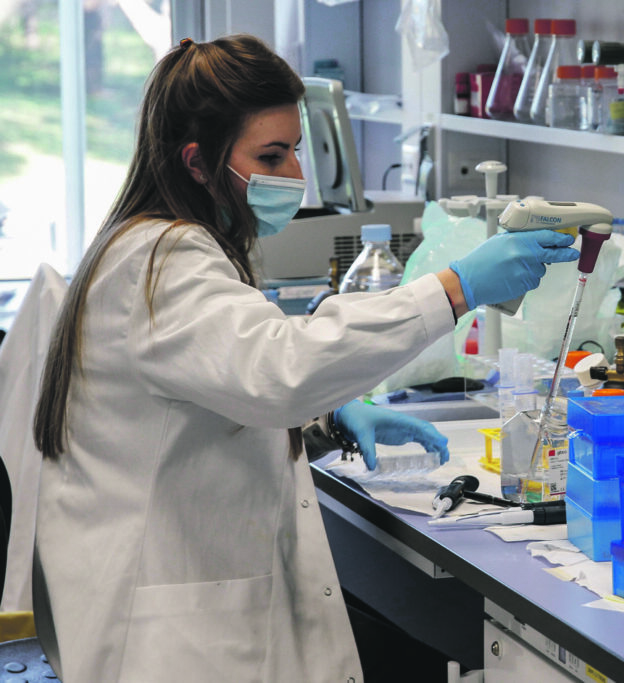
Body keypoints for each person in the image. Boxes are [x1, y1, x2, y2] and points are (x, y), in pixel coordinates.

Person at [31, 35, 579, 682]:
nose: (293, 174)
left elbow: (212, 391)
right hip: (169, 637)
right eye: (270, 154)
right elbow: (280, 370)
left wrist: (326, 424)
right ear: (197, 163)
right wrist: (455, 287)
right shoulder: (163, 262)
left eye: (295, 149)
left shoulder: (163, 244)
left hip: (181, 608)